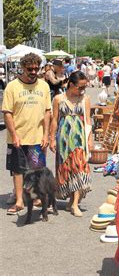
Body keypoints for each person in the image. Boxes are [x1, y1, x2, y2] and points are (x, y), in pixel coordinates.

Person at [2, 53, 51, 214]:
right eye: (30, 69)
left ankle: (36, 196)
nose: (33, 71)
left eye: (37, 68)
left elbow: (47, 112)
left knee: (37, 168)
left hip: (37, 137)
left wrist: (46, 135)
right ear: (22, 68)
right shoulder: (13, 86)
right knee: (18, 170)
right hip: (18, 137)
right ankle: (19, 201)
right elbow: (7, 112)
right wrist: (14, 134)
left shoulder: (43, 86)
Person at [49, 71, 92, 217]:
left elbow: (88, 120)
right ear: (71, 84)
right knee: (66, 168)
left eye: (84, 87)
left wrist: (90, 140)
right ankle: (70, 201)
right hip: (64, 138)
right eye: (80, 87)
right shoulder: (58, 99)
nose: (82, 90)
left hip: (79, 138)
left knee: (79, 168)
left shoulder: (85, 99)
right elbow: (54, 119)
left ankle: (75, 204)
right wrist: (52, 138)